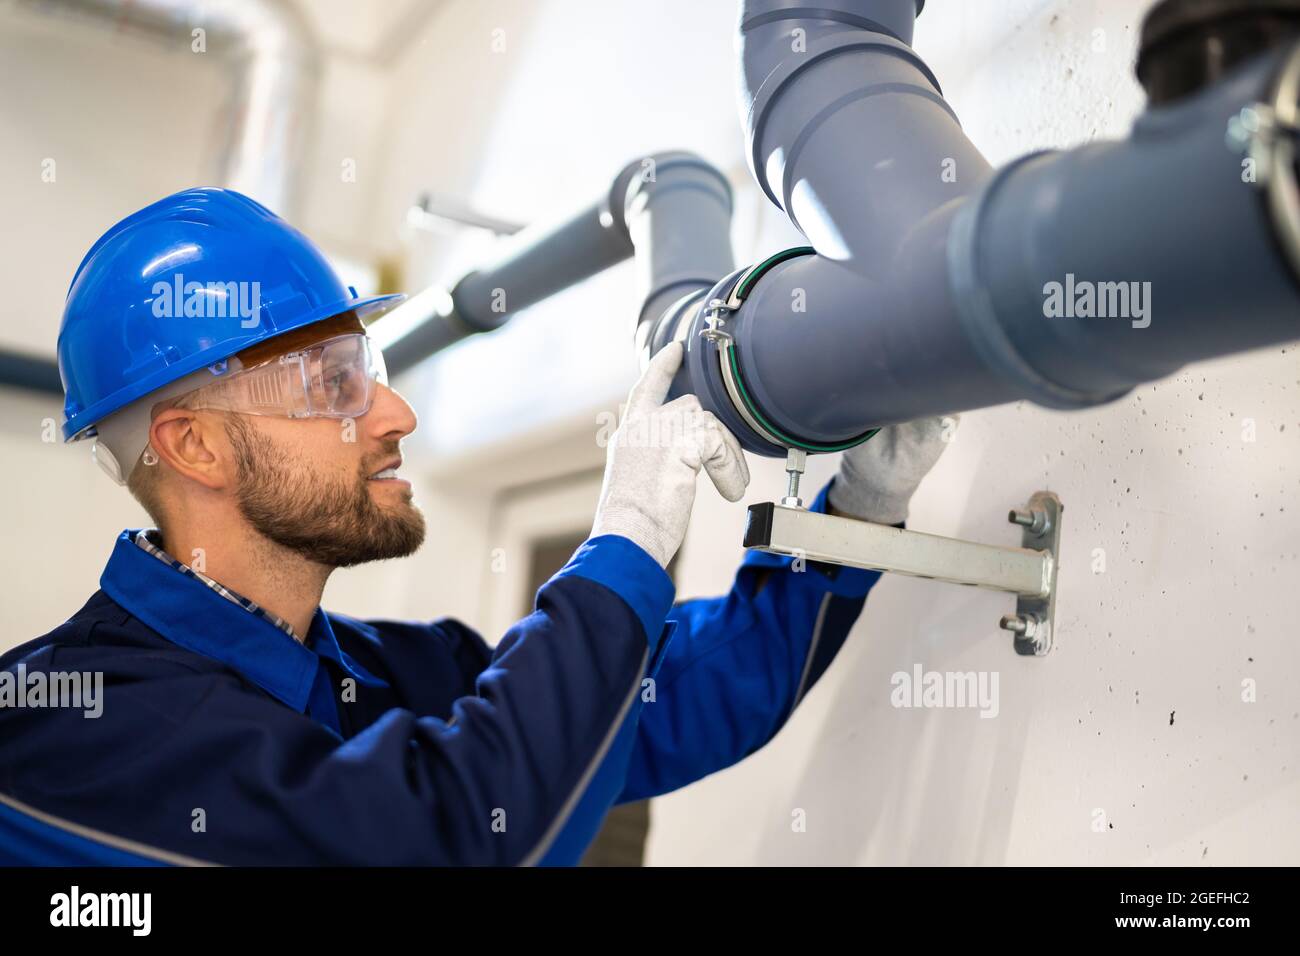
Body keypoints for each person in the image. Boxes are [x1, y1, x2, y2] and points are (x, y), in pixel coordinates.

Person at [0, 188, 951, 865]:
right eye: (332, 383)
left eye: (363, 368)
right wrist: (621, 541)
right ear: (195, 447)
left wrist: (857, 517)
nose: (395, 414)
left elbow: (667, 698)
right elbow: (453, 835)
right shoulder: (57, 730)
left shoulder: (383, 677)